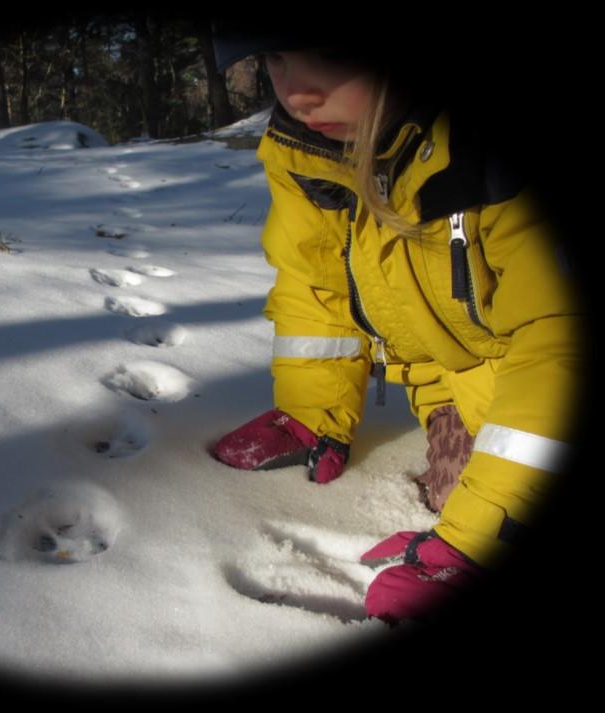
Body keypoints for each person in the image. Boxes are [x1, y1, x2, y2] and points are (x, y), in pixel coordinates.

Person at [210, 28, 584, 624]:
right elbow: (317, 285)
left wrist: (481, 532)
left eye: (331, 54)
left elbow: (557, 346)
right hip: (449, 385)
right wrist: (312, 412)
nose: (298, 93)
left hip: (535, 394)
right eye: (276, 59)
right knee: (454, 496)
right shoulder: (305, 148)